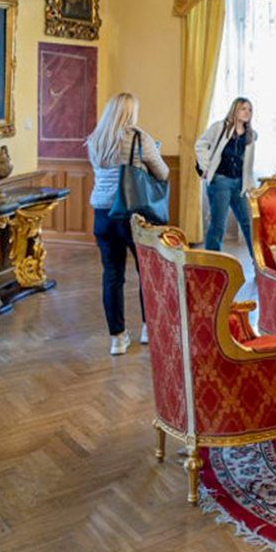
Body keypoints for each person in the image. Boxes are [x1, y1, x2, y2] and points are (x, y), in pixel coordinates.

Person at [87, 92, 170, 355]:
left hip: (102, 214)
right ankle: (147, 328)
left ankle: (117, 339)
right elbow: (163, 172)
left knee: (112, 276)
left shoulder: (95, 139)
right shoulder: (138, 137)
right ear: (130, 112)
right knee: (146, 272)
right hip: (132, 214)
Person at [195, 97, 257, 254]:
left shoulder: (250, 135)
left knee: (248, 223)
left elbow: (247, 164)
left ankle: (258, 261)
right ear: (235, 110)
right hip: (220, 181)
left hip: (239, 184)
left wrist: (249, 184)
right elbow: (200, 144)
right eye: (243, 109)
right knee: (218, 226)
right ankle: (213, 263)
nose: (247, 112)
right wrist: (205, 167)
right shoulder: (220, 127)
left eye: (249, 110)